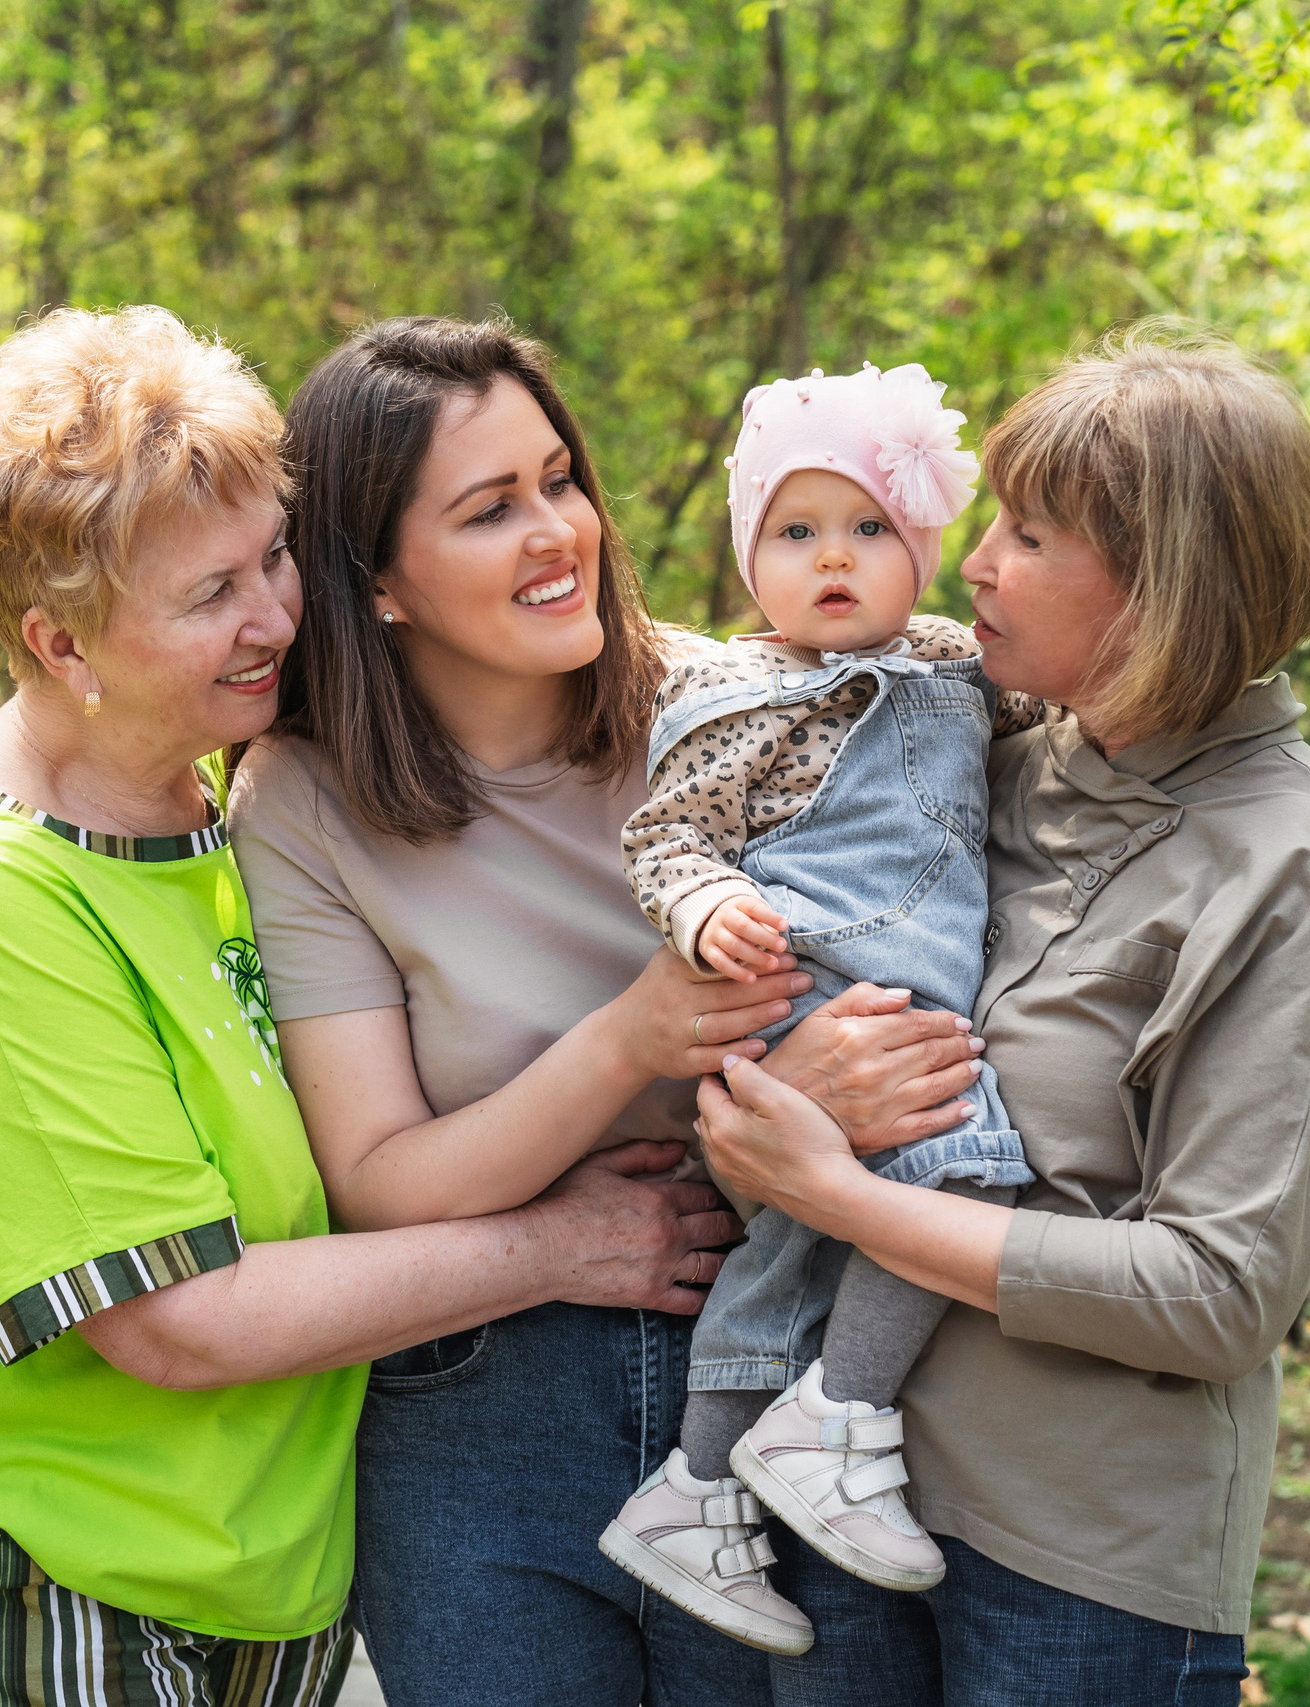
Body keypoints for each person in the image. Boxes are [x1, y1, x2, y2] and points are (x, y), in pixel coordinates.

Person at [0, 306, 742, 1707]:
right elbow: (177, 1321)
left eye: (275, 557)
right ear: (61, 645)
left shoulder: (221, 811)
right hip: (39, 1580)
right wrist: (558, 1245)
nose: (278, 616)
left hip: (254, 1582)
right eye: (208, 595)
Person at [229, 318, 986, 1707]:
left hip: (768, 1370)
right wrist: (638, 1039)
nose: (557, 531)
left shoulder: (742, 704)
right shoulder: (303, 802)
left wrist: (784, 1101)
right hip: (478, 1419)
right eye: (490, 508)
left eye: (561, 480)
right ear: (376, 579)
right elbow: (383, 1178)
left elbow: (918, 952)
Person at [694, 325, 1310, 1707]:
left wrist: (838, 1194)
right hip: (846, 1509)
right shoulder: (989, 762)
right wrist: (774, 1119)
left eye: (1028, 533)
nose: (971, 560)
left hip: (1077, 1570)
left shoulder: (1291, 859)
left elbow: (1218, 1296)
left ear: (1160, 587)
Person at [600, 362, 1041, 1653]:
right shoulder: (743, 699)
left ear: (923, 552)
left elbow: (1061, 714)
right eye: (795, 533)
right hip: (814, 990)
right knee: (965, 1176)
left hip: (906, 987)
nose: (832, 560)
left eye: (869, 531)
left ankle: (694, 1492)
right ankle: (839, 1418)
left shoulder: (962, 673)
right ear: (751, 558)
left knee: (792, 1258)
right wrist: (701, 911)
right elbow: (668, 838)